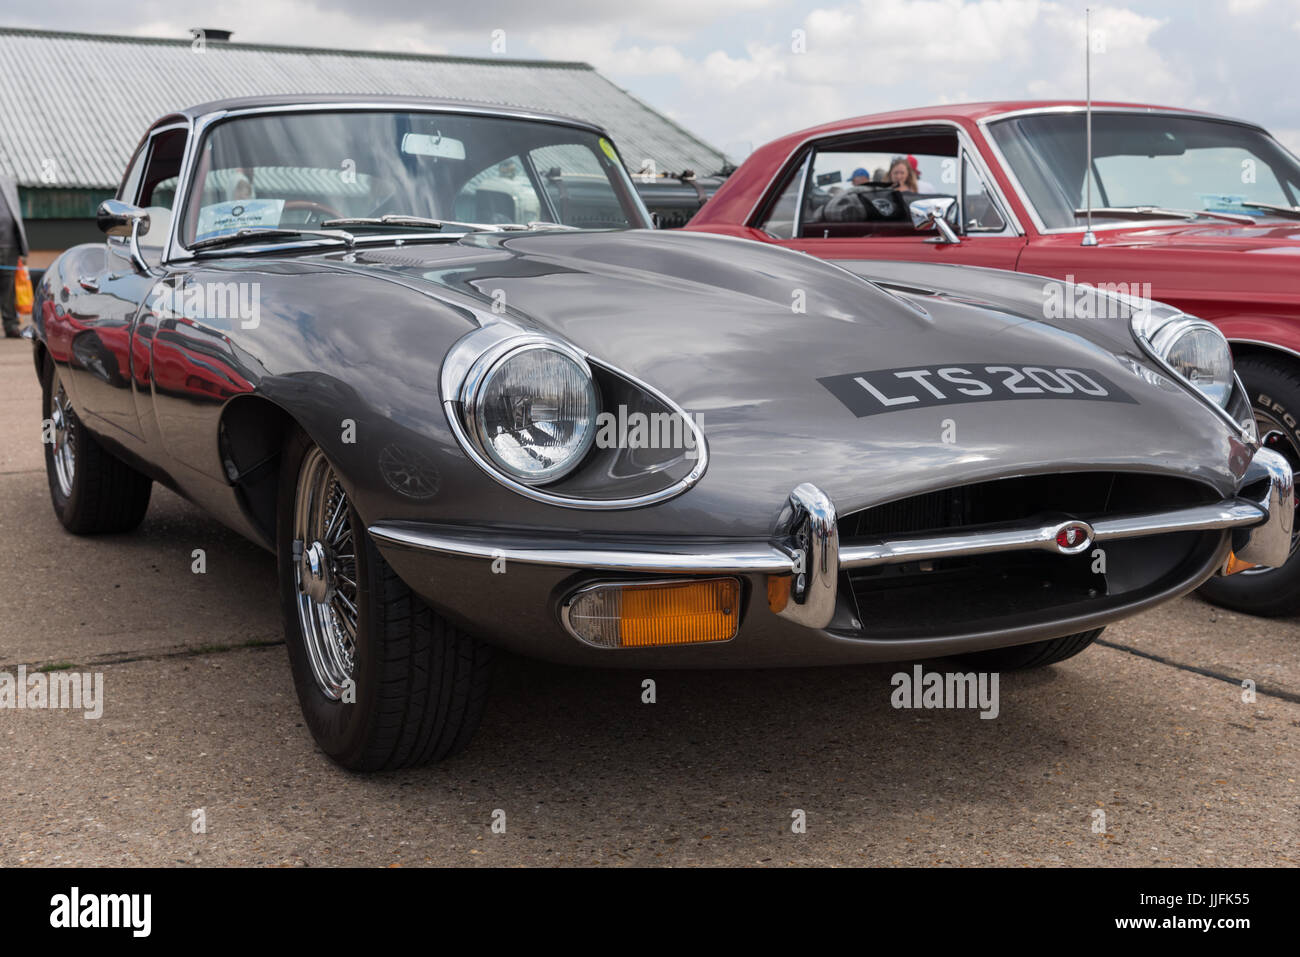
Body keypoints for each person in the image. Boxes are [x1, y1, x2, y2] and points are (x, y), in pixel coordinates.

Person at [0, 174, 28, 338]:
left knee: (9, 289)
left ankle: (11, 325)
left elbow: (16, 214)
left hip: (9, 244)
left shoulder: (8, 182)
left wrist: (21, 248)